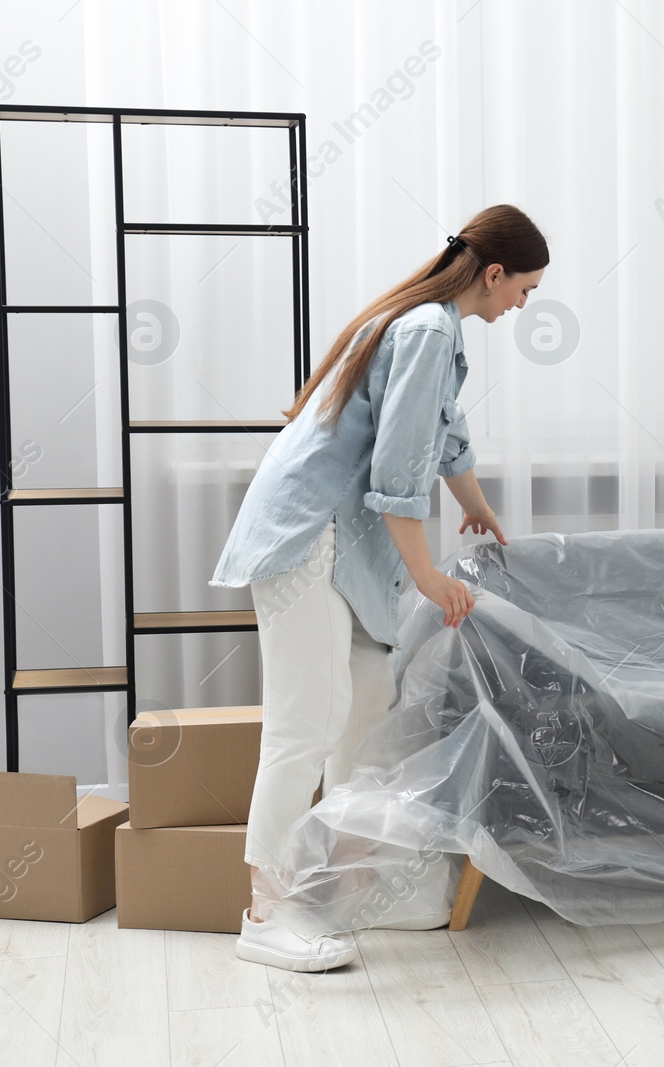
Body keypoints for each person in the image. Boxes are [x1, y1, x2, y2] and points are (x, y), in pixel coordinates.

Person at [207, 204, 548, 971]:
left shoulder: (435, 328)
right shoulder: (428, 330)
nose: (523, 305)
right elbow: (397, 474)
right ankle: (263, 913)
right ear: (494, 275)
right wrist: (428, 576)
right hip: (309, 539)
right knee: (308, 722)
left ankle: (339, 887)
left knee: (365, 712)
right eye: (524, 289)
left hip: (343, 548)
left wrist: (480, 511)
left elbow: (445, 433)